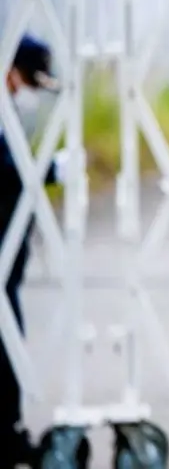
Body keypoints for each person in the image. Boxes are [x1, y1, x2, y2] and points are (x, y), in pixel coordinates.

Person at [0, 36, 62, 469]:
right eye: (28, 83)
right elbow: (5, 170)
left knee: (9, 340)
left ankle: (10, 431)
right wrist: (50, 169)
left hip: (9, 264)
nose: (30, 97)